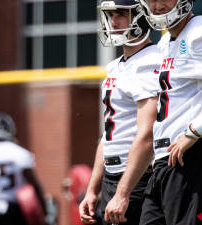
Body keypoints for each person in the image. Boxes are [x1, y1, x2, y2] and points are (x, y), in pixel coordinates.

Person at [121, 0, 202, 224]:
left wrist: (193, 132)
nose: (157, 5)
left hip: (193, 156)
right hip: (166, 160)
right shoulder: (165, 42)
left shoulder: (201, 34)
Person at [78, 0, 162, 224]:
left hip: (137, 178)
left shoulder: (150, 61)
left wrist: (123, 193)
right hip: (112, 176)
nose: (113, 21)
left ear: (142, 16)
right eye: (110, 15)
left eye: (121, 14)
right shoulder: (115, 66)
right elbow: (108, 135)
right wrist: (92, 190)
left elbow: (146, 135)